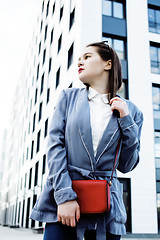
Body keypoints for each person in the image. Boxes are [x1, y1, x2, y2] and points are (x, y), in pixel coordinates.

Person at [30, 41, 144, 240]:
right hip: (64, 201)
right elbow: (55, 147)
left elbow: (127, 165)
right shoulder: (68, 98)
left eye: (87, 56)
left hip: (106, 208)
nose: (80, 62)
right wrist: (65, 196)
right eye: (79, 59)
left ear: (108, 64)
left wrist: (126, 121)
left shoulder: (132, 112)